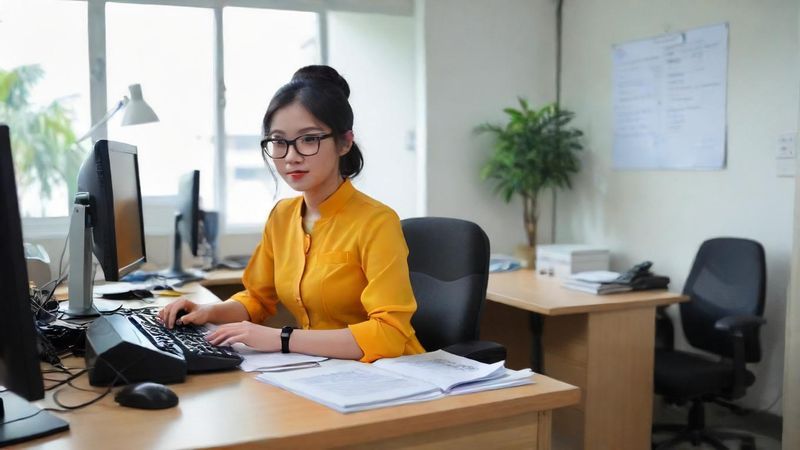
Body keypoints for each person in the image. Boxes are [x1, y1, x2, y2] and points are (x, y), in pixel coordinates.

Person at [158, 65, 425, 362]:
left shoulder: (376, 221)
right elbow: (257, 298)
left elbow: (388, 334)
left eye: (309, 139)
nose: (291, 156)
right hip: (322, 371)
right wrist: (210, 311)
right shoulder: (282, 216)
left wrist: (280, 338)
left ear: (345, 142)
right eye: (279, 142)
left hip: (392, 374)